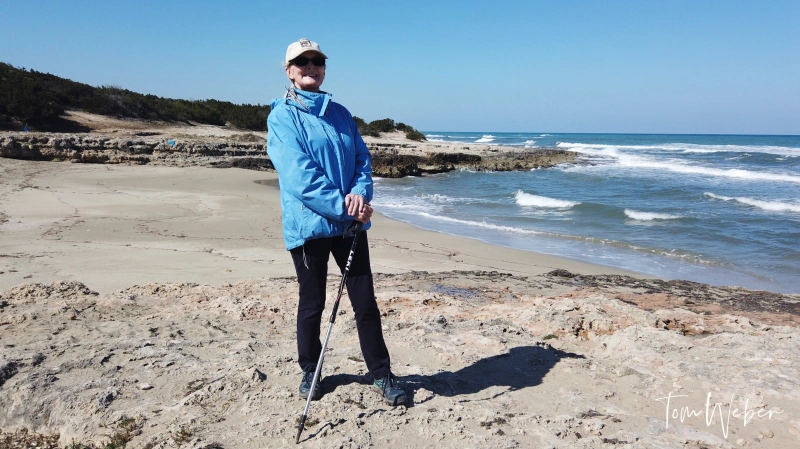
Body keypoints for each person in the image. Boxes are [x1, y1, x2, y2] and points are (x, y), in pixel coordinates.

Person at [266, 38, 406, 406]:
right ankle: (310, 370)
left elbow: (362, 158)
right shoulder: (282, 115)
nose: (311, 66)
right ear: (289, 70)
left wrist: (361, 195)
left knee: (365, 302)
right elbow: (300, 177)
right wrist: (347, 208)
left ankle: (381, 373)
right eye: (302, 62)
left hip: (349, 226)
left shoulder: (340, 113)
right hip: (309, 227)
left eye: (317, 61)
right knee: (312, 303)